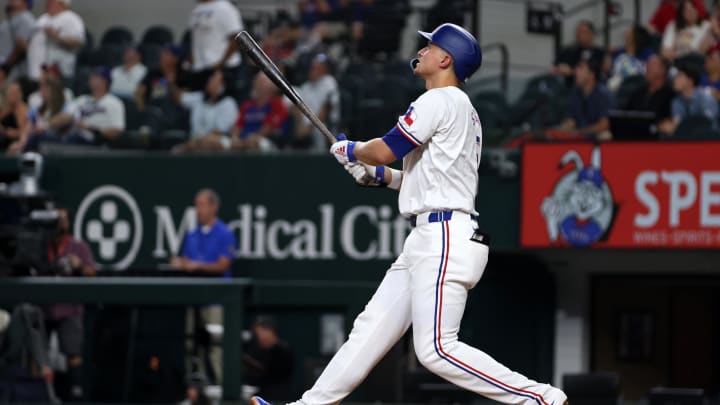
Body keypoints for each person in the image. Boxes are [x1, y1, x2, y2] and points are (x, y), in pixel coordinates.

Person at [251, 23, 569, 405]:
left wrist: (353, 151)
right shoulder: (459, 108)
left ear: (446, 59)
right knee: (369, 331)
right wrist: (378, 175)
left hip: (445, 235)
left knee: (436, 349)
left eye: (430, 45)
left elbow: (385, 148)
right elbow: (423, 179)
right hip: (431, 233)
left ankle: (541, 398)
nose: (422, 50)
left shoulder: (440, 100)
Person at [170, 188, 237, 383]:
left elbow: (223, 265)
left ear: (213, 207)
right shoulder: (192, 235)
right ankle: (195, 392)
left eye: (201, 205)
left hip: (216, 300)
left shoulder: (225, 234)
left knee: (216, 348)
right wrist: (181, 263)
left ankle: (223, 389)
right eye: (196, 205)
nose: (197, 210)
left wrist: (195, 265)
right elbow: (186, 260)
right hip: (195, 299)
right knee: (192, 345)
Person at [43, 207, 96, 401]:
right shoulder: (42, 245)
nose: (60, 223)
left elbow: (92, 273)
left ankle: (76, 394)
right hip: (44, 308)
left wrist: (79, 266)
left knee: (73, 352)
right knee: (39, 357)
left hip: (69, 309)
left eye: (63, 219)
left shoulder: (78, 247)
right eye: (57, 219)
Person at [24, 67, 125, 150]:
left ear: (104, 81)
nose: (91, 78)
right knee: (39, 138)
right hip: (73, 137)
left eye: (95, 76)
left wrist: (90, 128)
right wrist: (44, 126)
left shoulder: (114, 102)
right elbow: (66, 115)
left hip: (95, 141)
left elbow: (117, 132)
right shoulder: (82, 100)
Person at [171, 70, 239, 152]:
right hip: (195, 142)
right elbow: (179, 98)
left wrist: (199, 141)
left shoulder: (228, 103)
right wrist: (171, 81)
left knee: (208, 143)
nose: (210, 81)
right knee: (175, 150)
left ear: (223, 86)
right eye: (211, 79)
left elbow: (219, 131)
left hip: (218, 141)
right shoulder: (200, 98)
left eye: (214, 80)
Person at [188, 0, 243, 91]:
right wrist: (191, 61)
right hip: (199, 68)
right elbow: (195, 39)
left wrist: (221, 64)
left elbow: (236, 37)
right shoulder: (196, 10)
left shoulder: (225, 8)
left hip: (221, 68)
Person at [26, 0, 85, 85]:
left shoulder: (72, 19)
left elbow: (79, 42)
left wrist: (57, 37)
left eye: (51, 2)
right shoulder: (44, 18)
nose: (47, 4)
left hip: (58, 73)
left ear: (62, 4)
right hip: (37, 72)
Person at [8, 76, 67, 154]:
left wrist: (45, 126)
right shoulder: (36, 110)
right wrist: (20, 144)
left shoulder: (64, 108)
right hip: (36, 143)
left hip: (56, 142)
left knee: (40, 136)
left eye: (45, 89)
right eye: (41, 89)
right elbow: (27, 130)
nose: (41, 91)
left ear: (54, 91)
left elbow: (67, 118)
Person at [556, 57, 613, 139]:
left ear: (591, 74)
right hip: (578, 138)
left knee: (605, 135)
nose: (576, 72)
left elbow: (604, 124)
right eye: (576, 68)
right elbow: (570, 119)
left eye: (580, 68)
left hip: (595, 137)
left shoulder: (604, 95)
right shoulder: (575, 94)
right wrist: (565, 126)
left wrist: (580, 132)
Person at [293, 53, 340, 150]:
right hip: (304, 127)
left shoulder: (329, 82)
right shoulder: (306, 86)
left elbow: (326, 110)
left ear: (324, 69)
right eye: (313, 67)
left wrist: (308, 129)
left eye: (318, 68)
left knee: (319, 132)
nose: (313, 70)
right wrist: (299, 127)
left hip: (322, 126)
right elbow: (297, 108)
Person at [231, 72, 288, 151]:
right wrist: (235, 138)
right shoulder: (248, 105)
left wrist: (251, 139)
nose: (257, 86)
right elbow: (238, 125)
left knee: (253, 144)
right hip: (243, 140)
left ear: (270, 87)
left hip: (268, 140)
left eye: (261, 83)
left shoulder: (277, 104)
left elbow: (269, 127)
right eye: (256, 82)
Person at [621, 54, 675, 137]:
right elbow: (625, 114)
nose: (647, 67)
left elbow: (668, 122)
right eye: (647, 64)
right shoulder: (638, 92)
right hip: (633, 136)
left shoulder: (671, 95)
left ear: (663, 70)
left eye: (651, 65)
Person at [242, 316, 294, 400]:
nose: (259, 338)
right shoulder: (257, 350)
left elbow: (271, 373)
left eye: (259, 333)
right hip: (258, 397)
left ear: (269, 331)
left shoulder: (283, 350)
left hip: (277, 398)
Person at [669, 62, 718, 132]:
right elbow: (678, 126)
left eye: (679, 77)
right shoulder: (676, 102)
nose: (675, 80)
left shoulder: (706, 98)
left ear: (690, 81)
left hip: (709, 140)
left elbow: (708, 124)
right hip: (686, 140)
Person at [606, 25, 653, 92]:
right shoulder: (618, 53)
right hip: (619, 88)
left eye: (629, 32)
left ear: (634, 37)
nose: (625, 33)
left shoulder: (647, 54)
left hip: (639, 87)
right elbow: (610, 70)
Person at [0, 0, 36, 79]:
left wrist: (5, 68)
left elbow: (21, 47)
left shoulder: (26, 18)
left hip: (14, 71)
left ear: (25, 3)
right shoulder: (12, 18)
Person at [0, 81, 28, 151]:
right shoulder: (4, 109)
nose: (14, 95)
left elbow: (25, 132)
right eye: (11, 93)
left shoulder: (24, 110)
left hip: (16, 141)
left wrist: (10, 132)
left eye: (16, 92)